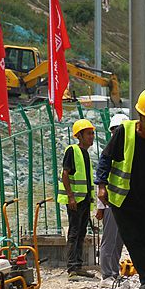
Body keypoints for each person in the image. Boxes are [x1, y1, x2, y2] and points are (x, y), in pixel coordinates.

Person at [97, 89, 145, 289]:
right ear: (140, 115)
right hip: (122, 197)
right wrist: (101, 185)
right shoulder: (124, 131)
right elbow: (105, 158)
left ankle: (143, 266)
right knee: (131, 237)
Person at [59, 119, 97, 280]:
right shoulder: (72, 151)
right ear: (79, 135)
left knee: (81, 232)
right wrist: (71, 196)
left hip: (84, 199)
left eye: (92, 133)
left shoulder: (85, 153)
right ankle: (72, 268)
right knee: (74, 232)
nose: (92, 137)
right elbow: (65, 173)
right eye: (88, 134)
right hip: (76, 199)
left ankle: (78, 266)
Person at [96, 113, 128, 281]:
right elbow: (101, 179)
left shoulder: (128, 152)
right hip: (109, 203)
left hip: (123, 203)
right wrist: (100, 207)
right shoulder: (109, 152)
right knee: (109, 240)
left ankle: (114, 271)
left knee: (118, 240)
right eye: (116, 131)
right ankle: (107, 274)